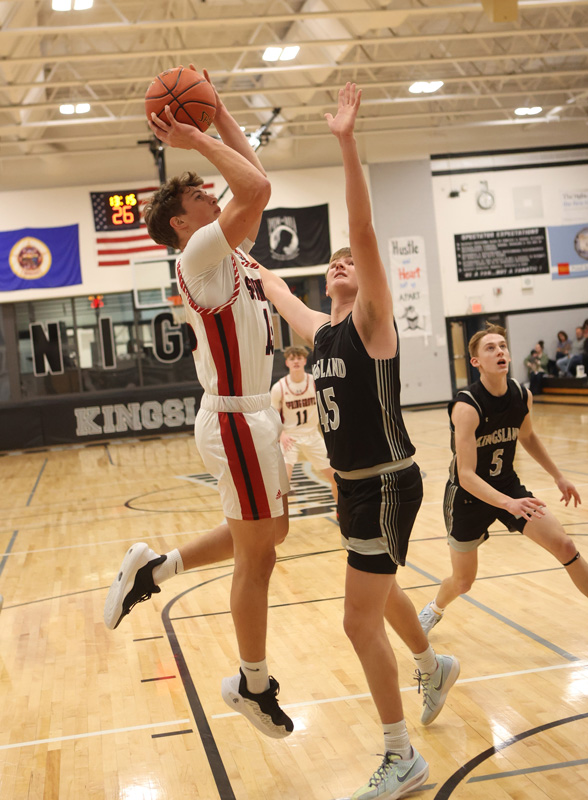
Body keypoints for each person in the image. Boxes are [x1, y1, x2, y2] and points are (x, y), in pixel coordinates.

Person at [260, 83, 459, 800]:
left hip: (386, 480)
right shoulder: (322, 334)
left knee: (355, 620)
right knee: (381, 596)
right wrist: (233, 252)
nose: (343, 261)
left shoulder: (373, 323)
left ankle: (399, 754)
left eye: (351, 260)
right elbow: (276, 289)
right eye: (335, 262)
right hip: (355, 485)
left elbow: (365, 235)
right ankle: (432, 665)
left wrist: (346, 143)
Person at [103, 67, 294, 740]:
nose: (214, 192)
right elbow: (257, 186)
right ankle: (253, 682)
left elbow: (253, 172)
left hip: (256, 416)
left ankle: (155, 568)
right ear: (184, 221)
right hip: (236, 418)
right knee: (257, 557)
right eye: (200, 193)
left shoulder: (229, 252)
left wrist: (216, 123)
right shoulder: (199, 258)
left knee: (271, 538)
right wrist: (193, 133)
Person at [419, 323, 587, 638]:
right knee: (463, 582)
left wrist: (559, 476)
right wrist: (508, 503)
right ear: (476, 362)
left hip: (508, 487)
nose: (500, 351)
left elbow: (528, 436)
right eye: (491, 348)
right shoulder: (467, 406)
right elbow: (466, 475)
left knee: (565, 545)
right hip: (468, 498)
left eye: (502, 346)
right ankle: (433, 609)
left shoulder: (522, 395)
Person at [270, 345, 337, 501]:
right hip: (290, 438)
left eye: (299, 358)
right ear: (287, 363)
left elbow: (327, 408)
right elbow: (272, 417)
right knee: (284, 483)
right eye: (292, 359)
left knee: (336, 479)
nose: (296, 362)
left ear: (305, 361)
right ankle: (279, 522)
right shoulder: (279, 387)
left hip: (312, 435)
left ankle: (341, 514)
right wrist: (282, 434)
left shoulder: (315, 382)